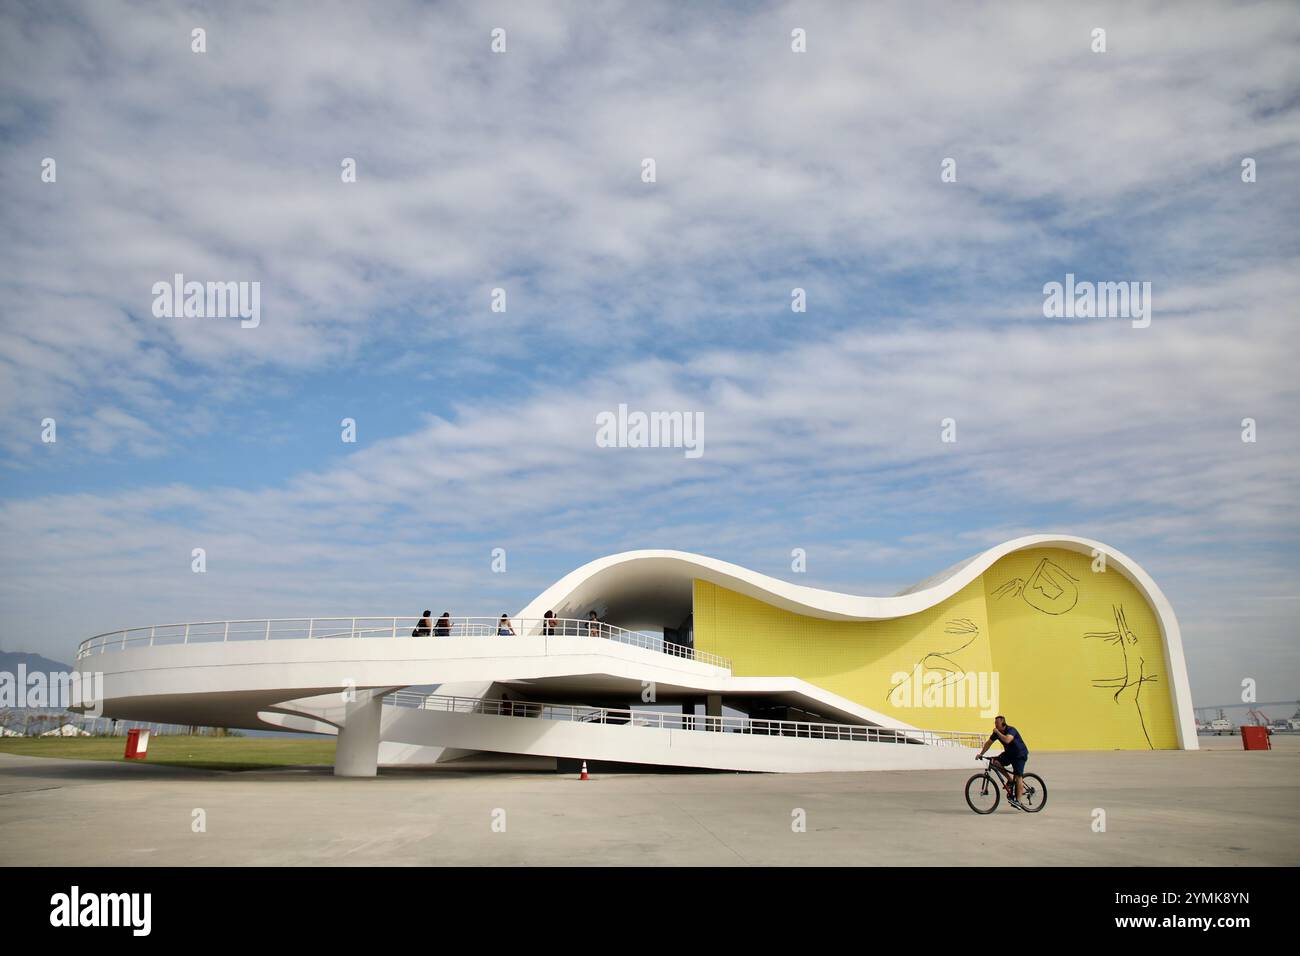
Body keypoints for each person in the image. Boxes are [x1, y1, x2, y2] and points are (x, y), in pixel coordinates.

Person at [976, 715, 1030, 806]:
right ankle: (1010, 780)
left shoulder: (1011, 730)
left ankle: (1019, 801)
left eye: (997, 723)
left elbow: (1007, 740)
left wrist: (997, 732)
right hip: (1009, 754)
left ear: (1003, 723)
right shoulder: (997, 733)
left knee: (1018, 776)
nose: (995, 725)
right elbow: (989, 743)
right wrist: (981, 754)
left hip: (1019, 754)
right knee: (995, 762)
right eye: (995, 723)